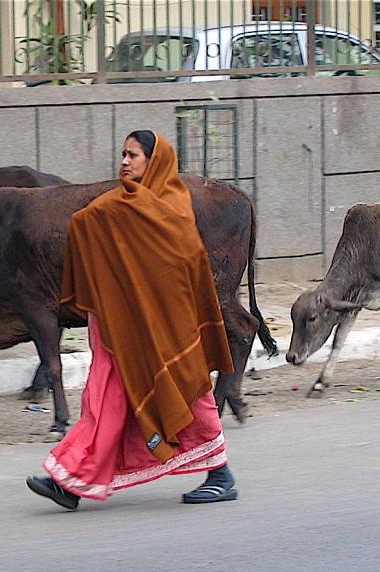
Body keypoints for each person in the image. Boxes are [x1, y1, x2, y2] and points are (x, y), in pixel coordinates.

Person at [26, 130, 239, 511]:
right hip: (120, 322)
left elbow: (184, 267)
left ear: (153, 160)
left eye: (134, 155)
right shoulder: (117, 205)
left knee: (190, 391)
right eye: (123, 154)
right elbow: (84, 226)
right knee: (104, 397)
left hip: (167, 326)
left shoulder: (173, 207)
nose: (125, 162)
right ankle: (73, 481)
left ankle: (220, 474)